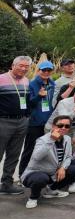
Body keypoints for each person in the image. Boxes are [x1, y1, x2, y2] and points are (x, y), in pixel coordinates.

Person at [20, 115, 75, 209]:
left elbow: (68, 157)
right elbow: (37, 157)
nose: (63, 128)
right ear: (53, 126)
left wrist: (63, 168)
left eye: (67, 126)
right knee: (41, 178)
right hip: (35, 173)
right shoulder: (43, 140)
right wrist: (52, 140)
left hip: (52, 173)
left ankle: (51, 190)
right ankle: (33, 198)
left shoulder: (67, 139)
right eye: (60, 125)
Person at [0, 55, 32, 195]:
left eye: (26, 66)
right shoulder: (1, 79)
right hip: (3, 121)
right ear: (13, 65)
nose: (24, 69)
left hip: (21, 122)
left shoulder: (26, 81)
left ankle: (7, 184)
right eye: (21, 65)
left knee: (14, 155)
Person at [20, 61, 56, 176]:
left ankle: (39, 172)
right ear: (39, 70)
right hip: (35, 122)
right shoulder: (32, 84)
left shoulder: (52, 84)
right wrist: (39, 96)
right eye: (44, 70)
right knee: (30, 149)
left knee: (46, 148)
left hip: (48, 121)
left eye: (49, 70)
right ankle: (22, 174)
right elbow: (29, 103)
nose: (46, 72)